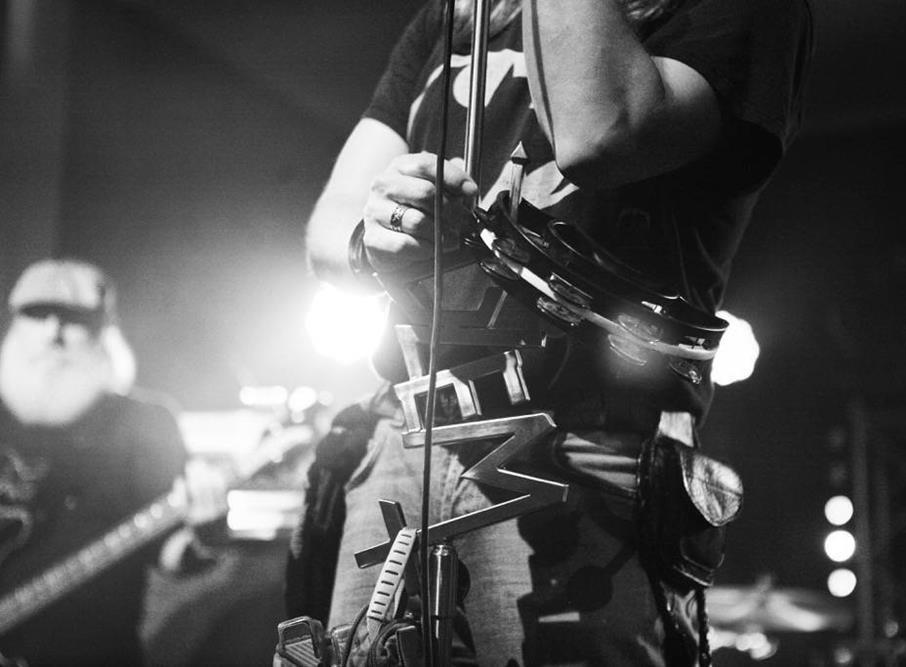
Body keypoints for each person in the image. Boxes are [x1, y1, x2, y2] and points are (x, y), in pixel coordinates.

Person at [292, 0, 813, 664]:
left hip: (585, 442)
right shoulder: (459, 17)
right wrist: (377, 236)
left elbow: (603, 131)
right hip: (406, 434)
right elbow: (330, 229)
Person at [0, 258, 218, 665]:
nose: (52, 333)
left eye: (72, 319)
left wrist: (208, 536)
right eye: (37, 314)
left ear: (103, 331)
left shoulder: (145, 423)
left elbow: (171, 550)